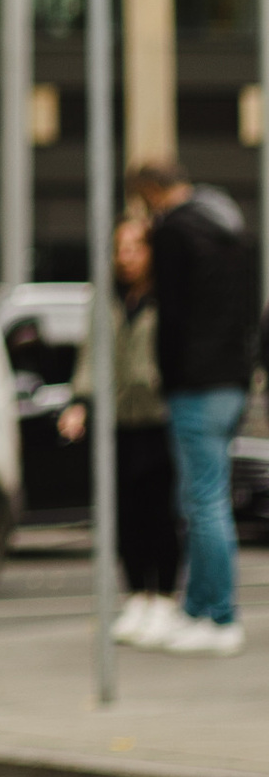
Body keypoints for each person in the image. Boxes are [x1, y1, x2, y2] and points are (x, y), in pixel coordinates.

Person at [123, 158, 256, 657]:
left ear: (151, 192)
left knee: (203, 502)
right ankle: (201, 608)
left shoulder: (176, 232)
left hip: (195, 384)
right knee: (206, 497)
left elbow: (172, 314)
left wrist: (168, 372)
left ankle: (217, 615)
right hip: (231, 380)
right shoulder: (230, 224)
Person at [58, 214, 180, 643]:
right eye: (120, 249)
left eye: (135, 248)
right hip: (117, 418)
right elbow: (91, 355)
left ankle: (163, 597)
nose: (126, 258)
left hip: (160, 416)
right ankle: (135, 598)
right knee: (124, 513)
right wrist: (80, 402)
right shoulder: (106, 297)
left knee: (158, 511)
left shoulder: (168, 296)